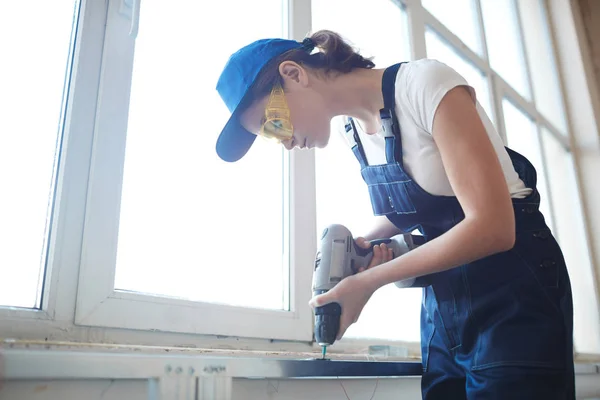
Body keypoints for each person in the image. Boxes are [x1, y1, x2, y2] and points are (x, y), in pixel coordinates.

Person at [214, 30, 575, 399]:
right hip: (444, 305)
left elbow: (494, 227)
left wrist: (370, 282)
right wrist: (366, 246)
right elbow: (414, 205)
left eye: (273, 122)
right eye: (271, 136)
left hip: (514, 288)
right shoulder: (351, 130)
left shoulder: (425, 84)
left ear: (294, 74)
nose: (285, 141)